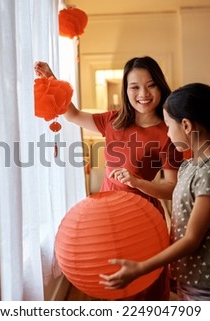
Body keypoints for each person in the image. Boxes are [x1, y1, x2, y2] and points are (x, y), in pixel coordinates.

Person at [35, 57, 184, 300]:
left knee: (144, 289)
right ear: (126, 90)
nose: (143, 93)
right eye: (134, 86)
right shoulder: (113, 120)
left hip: (142, 220)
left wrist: (137, 182)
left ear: (160, 86)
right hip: (106, 218)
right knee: (113, 284)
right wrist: (51, 80)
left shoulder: (168, 132)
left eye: (151, 85)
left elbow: (172, 187)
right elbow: (72, 115)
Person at [100, 83, 210, 301]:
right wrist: (137, 182)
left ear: (185, 125)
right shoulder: (188, 166)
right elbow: (173, 196)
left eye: (167, 125)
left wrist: (141, 268)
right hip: (188, 276)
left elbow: (192, 239)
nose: (167, 133)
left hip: (208, 281)